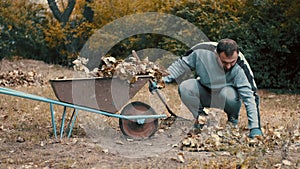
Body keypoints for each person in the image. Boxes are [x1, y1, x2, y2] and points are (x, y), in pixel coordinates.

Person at [159, 38, 263, 138]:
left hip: (228, 96)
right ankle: (202, 120)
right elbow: (180, 64)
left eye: (232, 62)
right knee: (185, 87)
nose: (228, 66)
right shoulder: (200, 51)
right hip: (205, 90)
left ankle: (232, 120)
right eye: (224, 62)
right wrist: (161, 80)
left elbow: (251, 96)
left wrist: (255, 128)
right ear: (216, 54)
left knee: (228, 93)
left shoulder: (241, 66)